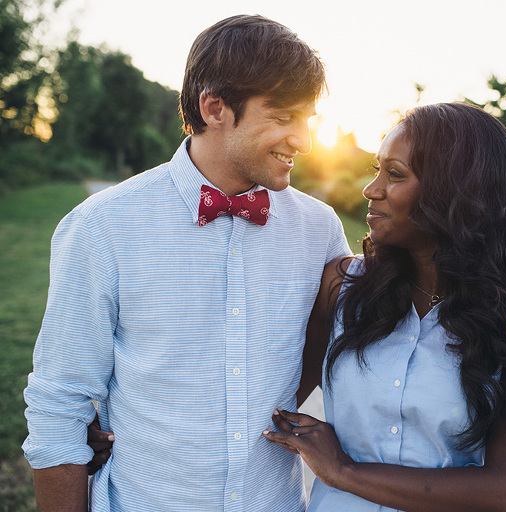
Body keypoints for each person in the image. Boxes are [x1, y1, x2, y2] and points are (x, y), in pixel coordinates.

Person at [23, 14, 350, 512]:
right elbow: (59, 402)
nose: (303, 141)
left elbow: (325, 349)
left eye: (309, 120)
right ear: (214, 107)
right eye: (283, 117)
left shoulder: (320, 228)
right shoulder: (102, 225)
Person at [263, 102, 506, 511]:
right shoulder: (342, 288)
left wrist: (344, 471)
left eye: (395, 174)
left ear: (455, 193)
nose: (372, 188)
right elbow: (268, 400)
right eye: (376, 168)